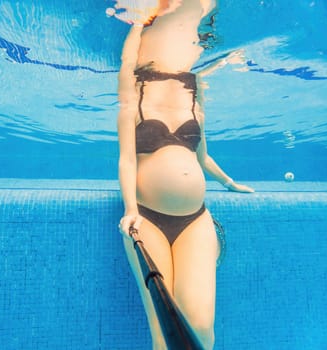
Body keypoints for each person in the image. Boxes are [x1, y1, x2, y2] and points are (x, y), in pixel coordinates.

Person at [116, 1, 254, 349]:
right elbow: (127, 160)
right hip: (147, 218)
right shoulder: (135, 91)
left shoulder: (195, 95)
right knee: (164, 335)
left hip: (197, 220)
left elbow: (203, 157)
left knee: (202, 331)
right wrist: (130, 210)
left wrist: (228, 183)